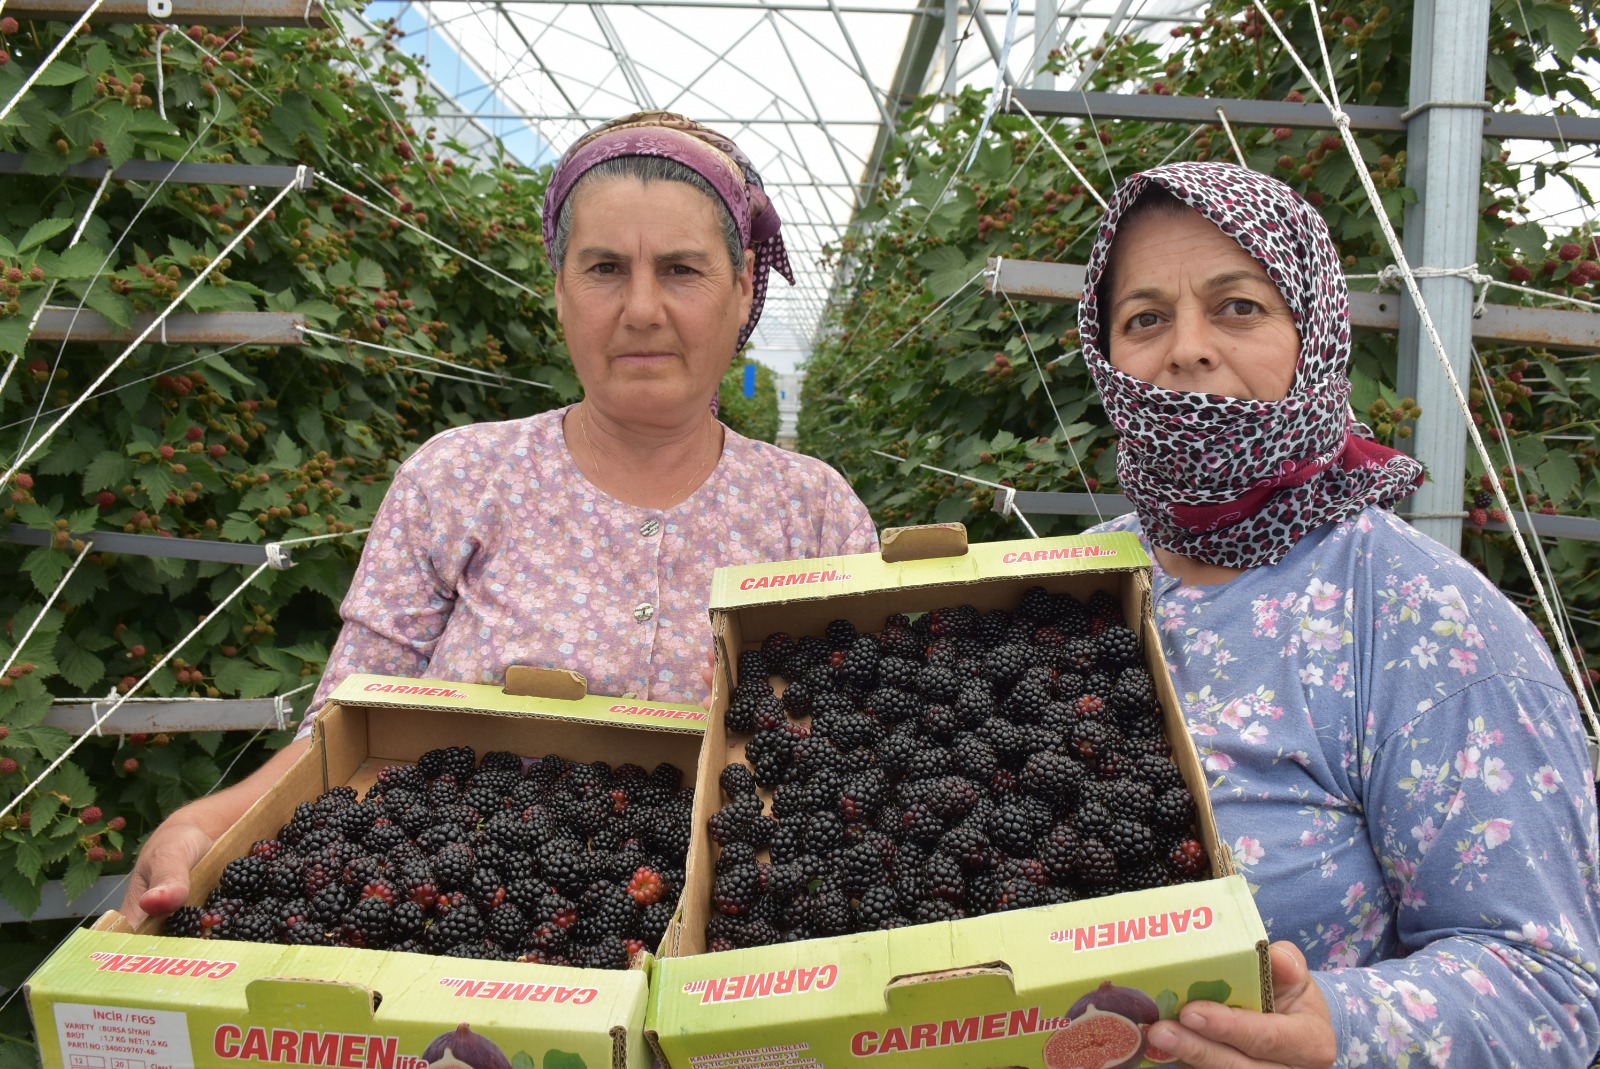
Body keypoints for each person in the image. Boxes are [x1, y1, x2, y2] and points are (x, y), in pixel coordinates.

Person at [120, 111, 877, 928]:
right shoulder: (457, 480)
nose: (642, 308)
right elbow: (340, 738)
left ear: (741, 291)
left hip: (741, 970)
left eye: (683, 269)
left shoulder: (815, 513)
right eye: (604, 268)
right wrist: (203, 824)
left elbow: (859, 769)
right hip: (470, 964)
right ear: (558, 291)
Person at [1077, 161, 1600, 1067]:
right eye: (1145, 317)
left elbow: (1550, 986)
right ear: (1106, 354)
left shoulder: (1423, 619)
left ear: (1314, 333)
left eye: (1239, 306)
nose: (1189, 347)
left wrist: (1345, 1029)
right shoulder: (1077, 584)